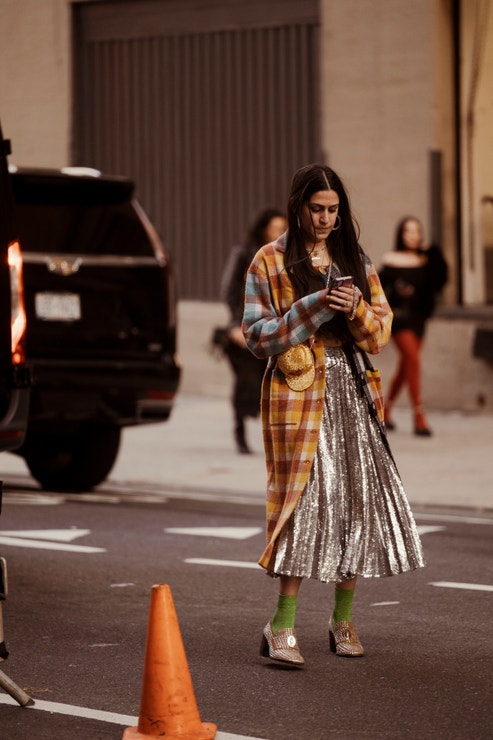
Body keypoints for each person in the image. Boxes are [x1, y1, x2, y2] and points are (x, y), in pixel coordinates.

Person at [242, 164, 425, 665]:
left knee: (356, 504)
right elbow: (257, 336)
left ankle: (342, 621)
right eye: (316, 209)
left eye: (333, 211)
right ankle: (281, 625)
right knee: (301, 505)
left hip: (354, 391)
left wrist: (355, 310)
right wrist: (315, 307)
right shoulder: (268, 261)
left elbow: (381, 335)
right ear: (297, 207)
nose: (325, 220)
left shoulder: (355, 258)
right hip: (298, 393)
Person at [221, 207, 287, 454]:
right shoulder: (244, 253)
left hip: (274, 329)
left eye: (284, 228)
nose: (281, 232)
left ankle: (271, 436)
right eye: (276, 227)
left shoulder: (285, 256)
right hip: (245, 330)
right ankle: (239, 431)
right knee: (244, 382)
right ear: (264, 228)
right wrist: (235, 326)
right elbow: (229, 291)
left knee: (269, 384)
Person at [379, 216, 448, 436]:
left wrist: (432, 251)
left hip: (419, 319)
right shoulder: (391, 259)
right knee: (413, 360)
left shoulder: (425, 259)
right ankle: (419, 416)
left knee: (406, 366)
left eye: (417, 231)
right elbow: (378, 288)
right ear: (401, 234)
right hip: (399, 319)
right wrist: (397, 289)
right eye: (408, 231)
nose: (413, 235)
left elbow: (441, 279)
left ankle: (385, 409)